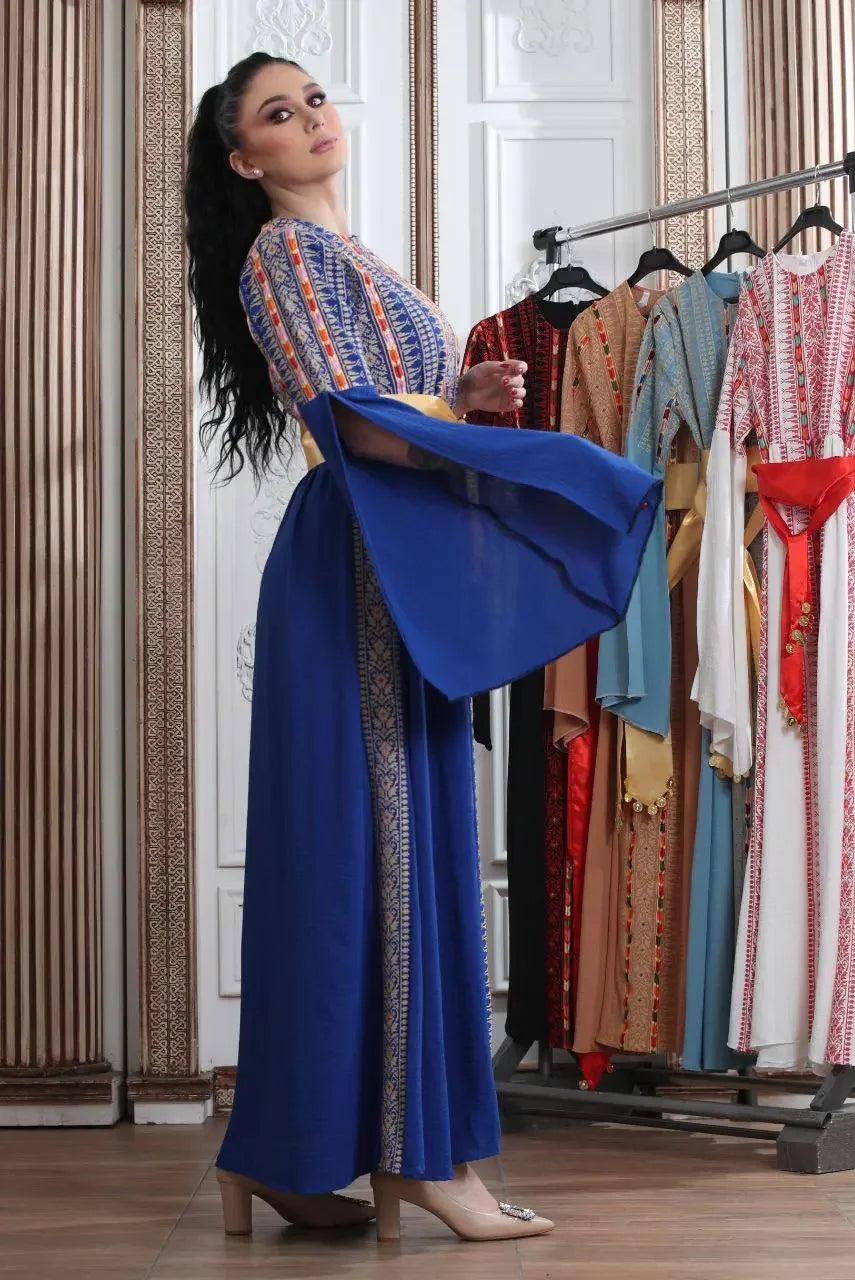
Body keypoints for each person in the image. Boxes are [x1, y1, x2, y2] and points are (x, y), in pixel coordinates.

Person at [184, 51, 662, 1246]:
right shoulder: (284, 254)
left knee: (375, 852)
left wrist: (466, 391)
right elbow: (344, 416)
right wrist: (470, 439)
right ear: (247, 160)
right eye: (277, 116)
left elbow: (397, 401)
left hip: (392, 554)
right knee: (383, 851)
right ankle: (422, 1158)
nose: (309, 120)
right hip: (357, 557)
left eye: (312, 99)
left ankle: (295, 1156)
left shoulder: (349, 255)